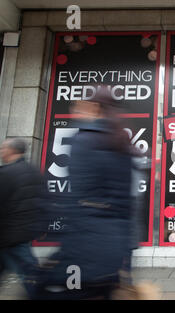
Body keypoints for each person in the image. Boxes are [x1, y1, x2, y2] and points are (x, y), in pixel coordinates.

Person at [37, 87, 134, 299]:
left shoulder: (84, 140)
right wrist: (126, 259)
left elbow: (76, 203)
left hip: (83, 251)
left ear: (95, 107)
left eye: (80, 104)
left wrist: (63, 253)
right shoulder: (121, 142)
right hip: (113, 251)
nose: (75, 109)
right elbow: (127, 207)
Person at [0, 138, 44, 298]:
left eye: (3, 149)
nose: (1, 152)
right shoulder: (34, 172)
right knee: (31, 276)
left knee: (32, 278)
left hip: (9, 237)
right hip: (22, 235)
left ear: (12, 151)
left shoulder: (6, 173)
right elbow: (44, 202)